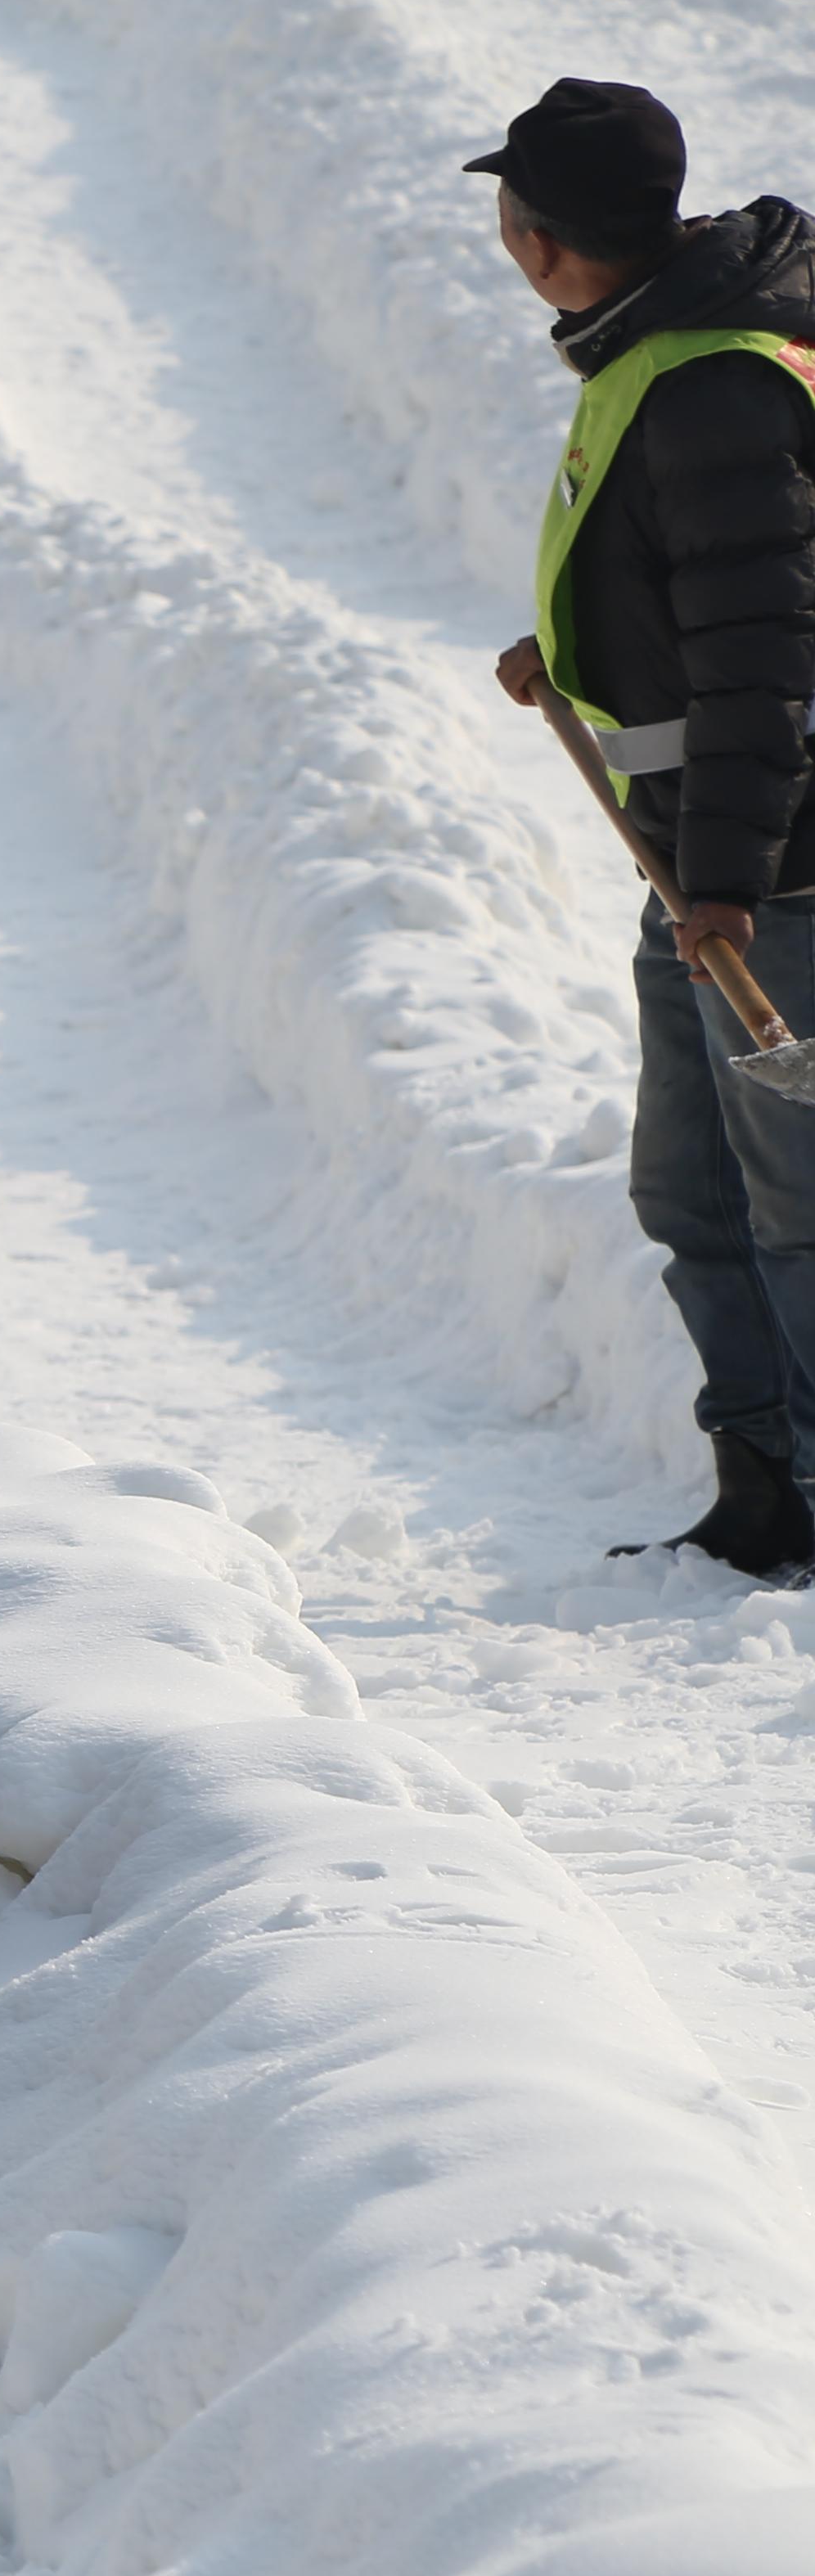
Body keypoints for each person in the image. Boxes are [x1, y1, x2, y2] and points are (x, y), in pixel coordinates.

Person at [480, 79, 815, 1578]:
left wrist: (734, 889)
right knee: (688, 1189)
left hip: (771, 875)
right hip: (700, 855)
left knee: (796, 1205)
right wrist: (586, 650)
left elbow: (763, 657)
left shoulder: (708, 389)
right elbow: (699, 588)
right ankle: (759, 1485)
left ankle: (801, 1490)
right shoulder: (657, 353)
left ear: (540, 240)